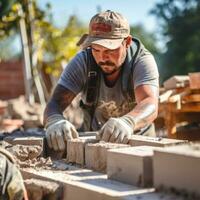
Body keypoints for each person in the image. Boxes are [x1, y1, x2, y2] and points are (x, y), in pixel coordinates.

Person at [43, 10, 159, 152]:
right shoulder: (83, 61)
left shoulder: (141, 61)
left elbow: (150, 103)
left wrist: (128, 122)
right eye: (96, 50)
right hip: (95, 142)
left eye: (109, 50)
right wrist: (55, 120)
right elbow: (54, 103)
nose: (102, 58)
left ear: (127, 42)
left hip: (139, 141)